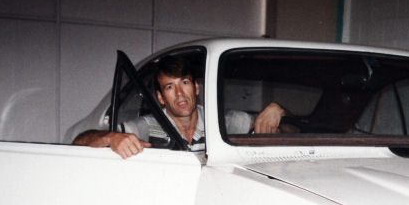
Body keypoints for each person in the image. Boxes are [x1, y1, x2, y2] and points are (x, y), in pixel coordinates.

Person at [73, 56, 286, 159]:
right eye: (169, 87)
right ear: (160, 98)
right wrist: (112, 139)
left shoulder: (224, 122)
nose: (180, 94)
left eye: (184, 83)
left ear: (195, 88)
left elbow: (288, 133)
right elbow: (79, 141)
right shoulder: (148, 127)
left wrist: (278, 111)